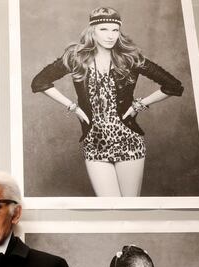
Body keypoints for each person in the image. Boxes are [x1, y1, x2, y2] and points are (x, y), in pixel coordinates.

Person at [31, 7, 183, 197]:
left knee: (130, 209)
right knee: (109, 208)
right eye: (104, 29)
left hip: (129, 141)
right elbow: (39, 82)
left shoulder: (130, 58)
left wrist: (139, 104)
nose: (110, 36)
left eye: (115, 30)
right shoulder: (76, 58)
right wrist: (73, 107)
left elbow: (174, 86)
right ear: (92, 31)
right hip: (94, 143)